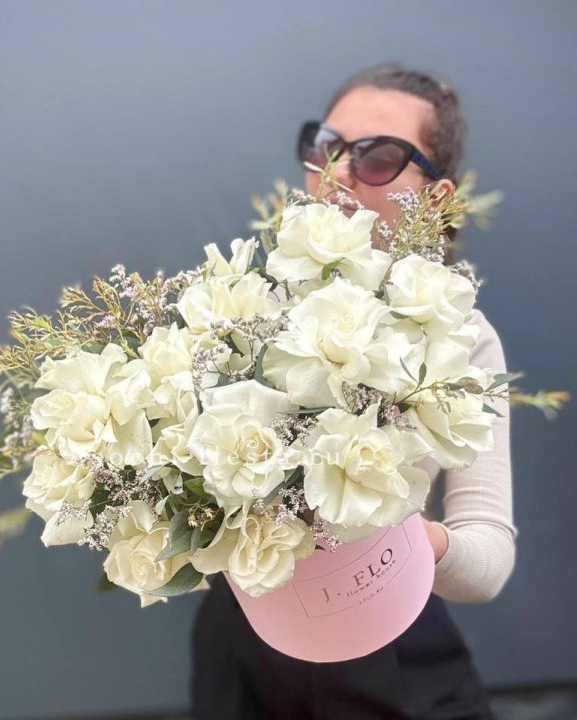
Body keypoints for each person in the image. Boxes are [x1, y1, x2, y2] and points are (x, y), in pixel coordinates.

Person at [189, 63, 518, 720]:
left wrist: (400, 541)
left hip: (391, 640)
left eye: (379, 157)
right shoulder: (237, 305)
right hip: (244, 645)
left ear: (435, 197)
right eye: (326, 147)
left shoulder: (461, 337)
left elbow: (489, 556)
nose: (336, 174)